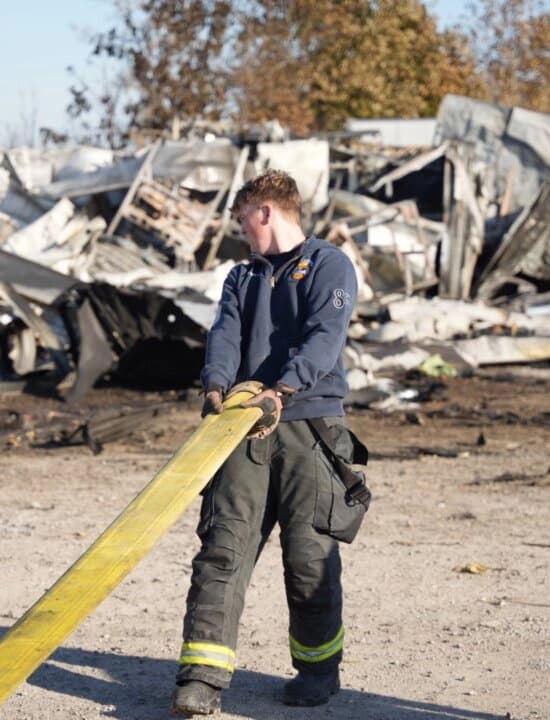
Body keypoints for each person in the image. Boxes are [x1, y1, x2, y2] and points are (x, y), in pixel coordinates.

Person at [171, 169, 363, 715]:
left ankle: (318, 671)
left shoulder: (330, 265)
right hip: (243, 429)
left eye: (243, 221)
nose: (242, 234)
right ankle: (201, 679)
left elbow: (325, 338)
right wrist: (214, 386)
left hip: (310, 429)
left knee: (309, 558)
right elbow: (225, 335)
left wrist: (284, 389)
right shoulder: (241, 278)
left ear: (264, 212)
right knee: (222, 551)